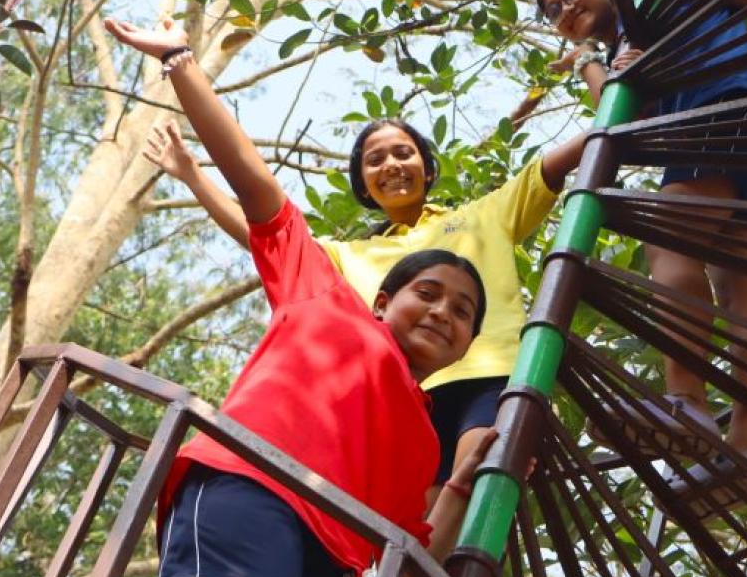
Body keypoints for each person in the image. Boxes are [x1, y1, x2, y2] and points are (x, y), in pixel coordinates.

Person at [104, 15, 496, 577]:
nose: (443, 312)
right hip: (255, 488)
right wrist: (181, 63)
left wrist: (462, 480)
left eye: (463, 313)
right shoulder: (327, 297)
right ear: (382, 302)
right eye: (429, 293)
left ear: (465, 346)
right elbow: (257, 189)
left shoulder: (422, 441)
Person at [139, 93, 588, 513]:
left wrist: (605, 78)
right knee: (429, 526)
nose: (391, 164)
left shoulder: (483, 215)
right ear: (365, 186)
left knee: (482, 475)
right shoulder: (349, 256)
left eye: (403, 153)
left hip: (489, 375)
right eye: (375, 160)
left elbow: (559, 162)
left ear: (428, 169)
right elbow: (266, 235)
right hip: (404, 401)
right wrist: (193, 175)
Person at [537, 0, 747, 515]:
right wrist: (595, 63)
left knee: (665, 233)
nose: (565, 10)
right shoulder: (628, 43)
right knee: (741, 283)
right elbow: (620, 120)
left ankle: (685, 401)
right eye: (554, 12)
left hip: (728, 105)